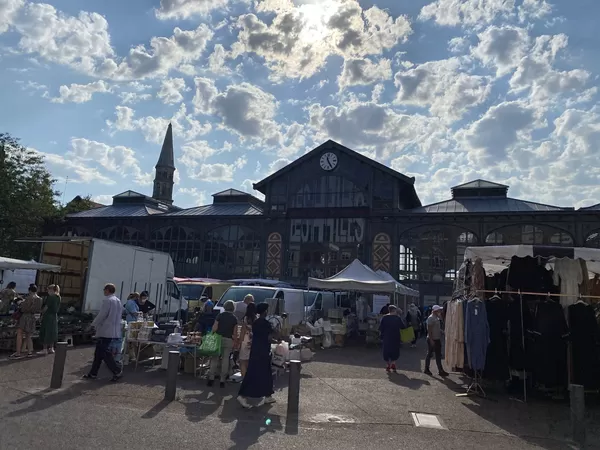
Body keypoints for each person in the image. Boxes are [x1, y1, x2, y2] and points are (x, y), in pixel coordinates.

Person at [237, 302, 276, 408]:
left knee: (258, 372)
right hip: (263, 351)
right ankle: (243, 394)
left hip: (255, 350)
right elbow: (269, 338)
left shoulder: (255, 323)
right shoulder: (266, 324)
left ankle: (268, 394)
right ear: (265, 311)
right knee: (260, 373)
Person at [84, 284, 124, 382]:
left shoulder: (107, 300)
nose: (103, 291)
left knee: (104, 352)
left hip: (105, 329)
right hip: (113, 328)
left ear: (107, 290)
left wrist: (93, 324)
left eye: (104, 290)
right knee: (99, 353)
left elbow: (102, 315)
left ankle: (116, 370)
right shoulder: (118, 301)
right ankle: (93, 373)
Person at [208, 300, 238, 388]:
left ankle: (211, 378)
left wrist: (211, 334)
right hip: (228, 339)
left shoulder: (220, 315)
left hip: (218, 338)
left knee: (215, 358)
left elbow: (214, 327)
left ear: (225, 306)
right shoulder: (234, 318)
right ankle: (222, 379)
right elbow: (235, 333)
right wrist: (235, 342)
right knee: (226, 359)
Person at [10, 284, 42, 359]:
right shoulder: (39, 299)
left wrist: (20, 303)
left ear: (30, 290)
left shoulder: (28, 298)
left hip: (25, 317)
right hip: (32, 317)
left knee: (20, 334)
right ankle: (29, 352)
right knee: (29, 336)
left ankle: (18, 353)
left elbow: (23, 309)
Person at [424, 305, 449, 377]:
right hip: (433, 339)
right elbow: (429, 330)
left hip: (437, 339)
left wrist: (442, 332)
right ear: (435, 311)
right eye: (439, 310)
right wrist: (431, 340)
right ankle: (426, 369)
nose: (440, 311)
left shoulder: (436, 318)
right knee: (429, 354)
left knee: (438, 355)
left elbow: (437, 328)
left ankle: (440, 370)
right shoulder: (431, 318)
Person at [379, 305, 404, 373]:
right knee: (395, 350)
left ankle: (388, 364)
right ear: (394, 310)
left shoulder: (384, 318)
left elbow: (381, 328)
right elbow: (403, 326)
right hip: (396, 337)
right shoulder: (397, 318)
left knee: (386, 350)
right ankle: (393, 363)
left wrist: (381, 336)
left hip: (386, 337)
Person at [38, 284, 61, 355]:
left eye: (48, 290)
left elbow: (46, 307)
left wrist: (41, 312)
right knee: (52, 332)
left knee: (45, 332)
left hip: (48, 316)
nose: (48, 291)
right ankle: (51, 348)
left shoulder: (51, 297)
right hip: (54, 316)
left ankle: (44, 349)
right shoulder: (59, 297)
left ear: (51, 290)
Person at [239, 302, 257, 377]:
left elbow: (243, 330)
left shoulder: (245, 318)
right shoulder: (256, 318)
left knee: (242, 359)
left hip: (245, 339)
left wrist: (240, 340)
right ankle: (250, 376)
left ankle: (244, 376)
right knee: (250, 359)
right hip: (253, 339)